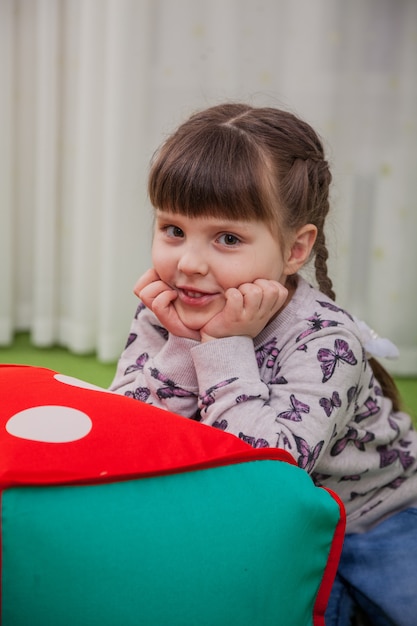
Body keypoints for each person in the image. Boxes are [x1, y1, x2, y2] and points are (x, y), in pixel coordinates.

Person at [110, 102, 417, 625]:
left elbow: (270, 470)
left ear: (296, 249)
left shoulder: (326, 340)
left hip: (377, 517)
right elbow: (128, 431)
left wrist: (221, 347)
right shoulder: (170, 307)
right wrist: (185, 342)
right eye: (173, 229)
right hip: (268, 523)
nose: (189, 262)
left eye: (227, 238)